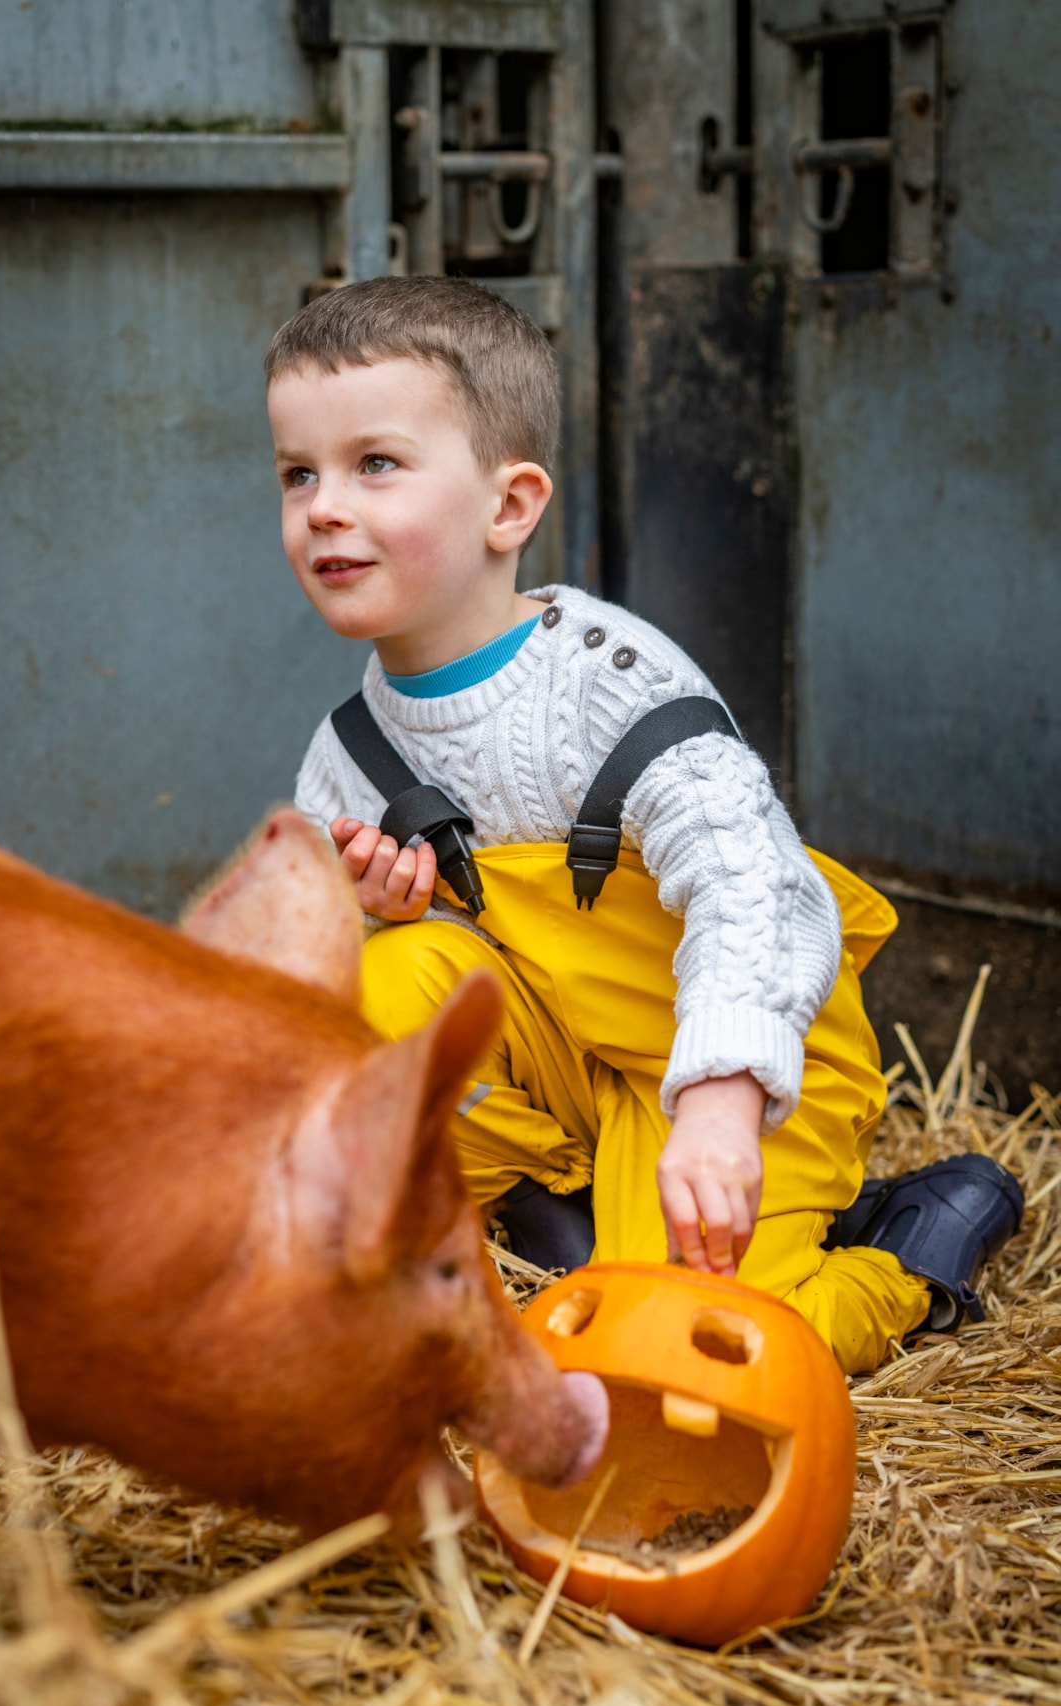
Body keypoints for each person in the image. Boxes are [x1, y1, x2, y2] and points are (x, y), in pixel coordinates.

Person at [266, 274, 1021, 1376]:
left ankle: (912, 1244)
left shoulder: (612, 689)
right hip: (569, 1068)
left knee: (712, 1351)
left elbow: (748, 886)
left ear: (509, 506)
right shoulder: (348, 755)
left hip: (731, 1054)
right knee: (378, 997)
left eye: (374, 463)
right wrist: (369, 917)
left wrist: (720, 1108)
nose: (324, 505)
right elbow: (307, 985)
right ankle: (568, 1218)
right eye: (298, 474)